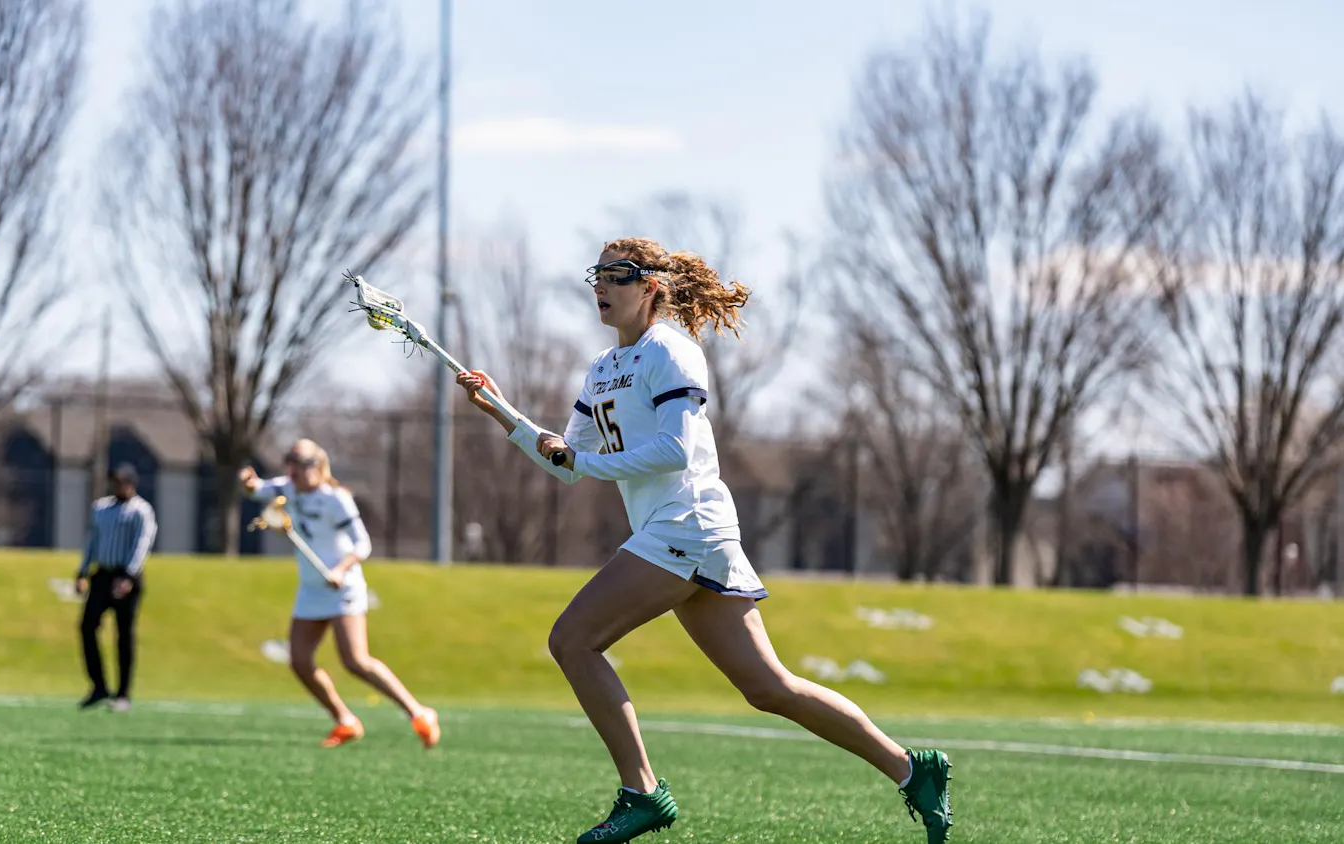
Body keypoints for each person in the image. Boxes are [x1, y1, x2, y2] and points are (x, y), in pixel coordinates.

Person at [454, 237, 954, 844]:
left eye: (618, 275)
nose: (602, 286)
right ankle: (912, 770)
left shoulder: (671, 350)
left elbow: (673, 450)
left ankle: (641, 792)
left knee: (573, 640)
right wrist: (503, 412)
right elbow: (565, 459)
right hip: (685, 534)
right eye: (599, 274)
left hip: (685, 524)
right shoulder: (604, 367)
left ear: (651, 287)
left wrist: (581, 463)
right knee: (769, 688)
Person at [239, 438, 441, 750]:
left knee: (355, 661)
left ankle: (419, 712)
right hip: (311, 590)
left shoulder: (336, 500)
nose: (292, 469)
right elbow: (256, 491)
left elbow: (363, 544)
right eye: (289, 461)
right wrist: (249, 483)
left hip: (342, 587)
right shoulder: (286, 488)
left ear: (317, 466)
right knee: (300, 661)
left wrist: (341, 569)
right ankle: (345, 720)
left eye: (300, 462)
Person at [76, 463, 158, 713]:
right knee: (87, 627)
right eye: (116, 481)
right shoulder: (101, 508)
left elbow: (142, 543)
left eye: (123, 482)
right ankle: (99, 685)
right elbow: (93, 539)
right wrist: (82, 571)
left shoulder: (141, 511)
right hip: (102, 574)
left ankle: (123, 694)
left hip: (125, 576)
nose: (119, 486)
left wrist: (129, 576)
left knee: (124, 635)